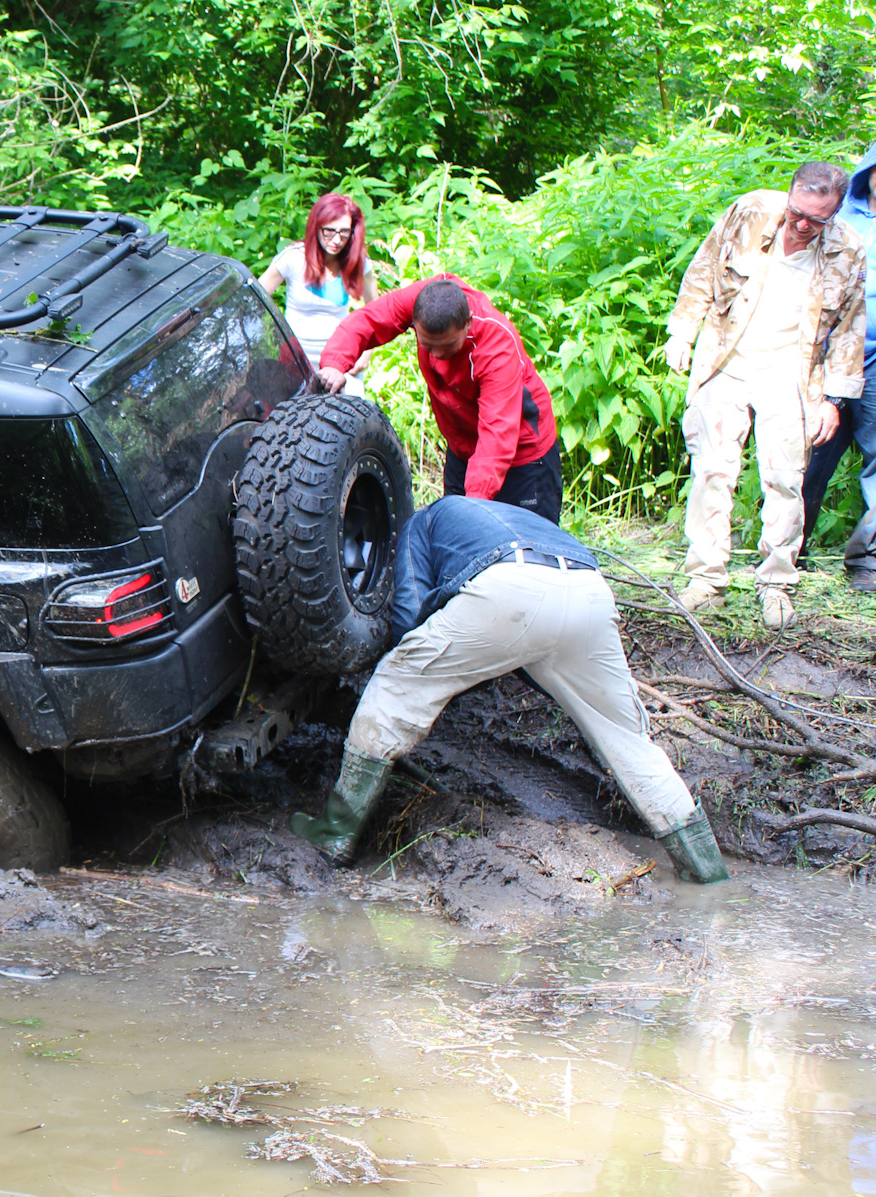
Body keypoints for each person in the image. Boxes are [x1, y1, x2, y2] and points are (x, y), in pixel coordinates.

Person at [291, 495, 728, 885]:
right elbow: (535, 645)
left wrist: (424, 678)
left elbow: (409, 615)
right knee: (629, 742)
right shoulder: (508, 516)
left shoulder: (421, 521)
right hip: (590, 591)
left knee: (394, 685)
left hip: (508, 584)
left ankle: (335, 833)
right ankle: (707, 873)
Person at [664, 162, 866, 628]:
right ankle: (706, 579)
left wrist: (835, 401)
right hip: (726, 359)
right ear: (789, 195)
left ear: (834, 214)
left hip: (792, 375)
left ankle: (776, 583)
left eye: (817, 220)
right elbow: (702, 269)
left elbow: (850, 328)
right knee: (713, 471)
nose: (802, 225)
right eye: (797, 212)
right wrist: (682, 332)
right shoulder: (751, 211)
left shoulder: (847, 249)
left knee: (785, 479)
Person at [316, 275, 563, 522]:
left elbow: (497, 435)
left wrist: (474, 501)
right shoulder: (423, 299)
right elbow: (370, 319)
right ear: (414, 321)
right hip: (463, 447)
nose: (438, 356)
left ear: (467, 323)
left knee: (527, 545)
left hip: (523, 454)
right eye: (429, 346)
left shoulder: (496, 347)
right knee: (457, 537)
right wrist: (335, 363)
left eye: (448, 347)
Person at [800, 144, 876, 592]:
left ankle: (866, 562)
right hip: (822, 358)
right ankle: (788, 551)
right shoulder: (835, 214)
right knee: (806, 459)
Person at [257, 194, 379, 393]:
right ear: (316, 226)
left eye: (344, 232)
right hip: (295, 361)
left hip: (341, 359)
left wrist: (367, 352)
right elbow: (255, 298)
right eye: (329, 231)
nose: (337, 240)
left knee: (350, 416)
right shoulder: (293, 258)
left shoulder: (357, 262)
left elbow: (375, 311)